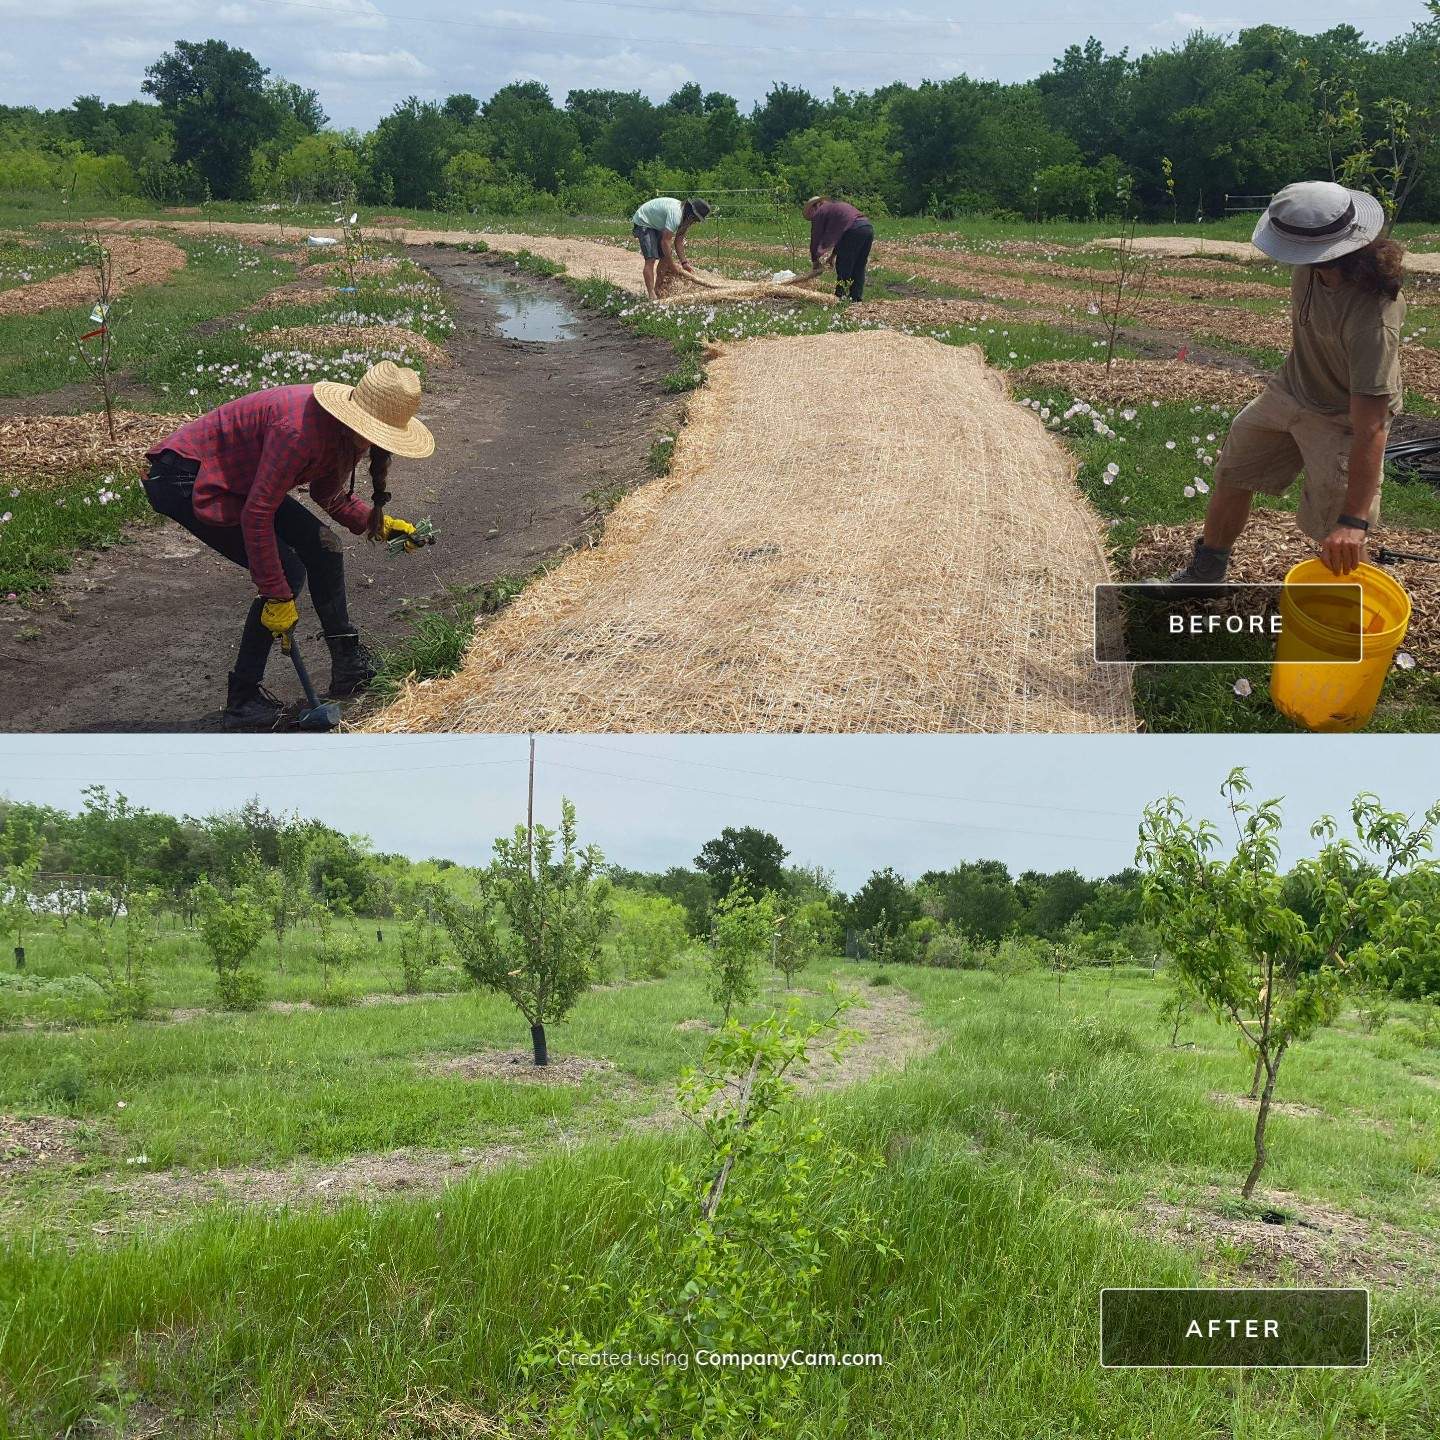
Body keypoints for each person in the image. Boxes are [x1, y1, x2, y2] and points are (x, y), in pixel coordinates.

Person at [142, 360, 435, 729]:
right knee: (288, 572)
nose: (373, 443)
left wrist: (379, 524)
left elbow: (328, 493)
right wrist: (276, 595)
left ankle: (347, 664)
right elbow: (257, 514)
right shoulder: (298, 431)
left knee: (326, 547)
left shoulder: (349, 434)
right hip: (186, 477)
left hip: (242, 479)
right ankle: (242, 701)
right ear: (358, 416)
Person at [1155, 181, 1404, 587]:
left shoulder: (1372, 318)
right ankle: (1207, 572)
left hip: (1343, 416)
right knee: (1236, 469)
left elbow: (1371, 425)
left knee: (1337, 529)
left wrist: (1354, 519)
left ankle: (1340, 617)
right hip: (1290, 391)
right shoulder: (1311, 271)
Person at [630, 196, 711, 301]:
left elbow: (679, 240)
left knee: (665, 257)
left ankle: (657, 288)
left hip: (656, 223)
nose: (695, 222)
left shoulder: (685, 219)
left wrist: (684, 263)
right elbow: (665, 241)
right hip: (644, 220)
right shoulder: (676, 215)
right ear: (691, 215)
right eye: (696, 220)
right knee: (651, 259)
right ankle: (651, 294)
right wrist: (672, 265)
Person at [800, 196, 874, 302]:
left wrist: (815, 260)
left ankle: (840, 296)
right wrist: (832, 256)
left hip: (854, 230)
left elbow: (815, 236)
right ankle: (856, 298)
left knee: (844, 265)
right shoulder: (834, 208)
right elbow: (840, 235)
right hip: (867, 227)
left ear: (814, 206)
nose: (812, 218)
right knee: (859, 265)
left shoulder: (820, 211)